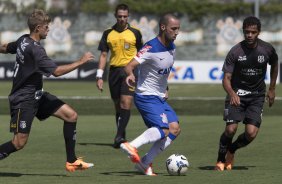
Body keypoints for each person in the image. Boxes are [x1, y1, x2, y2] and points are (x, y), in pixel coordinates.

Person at [0, 9, 95, 172]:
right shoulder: (36, 50)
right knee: (18, 143)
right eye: (46, 26)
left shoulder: (23, 40)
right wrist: (81, 61)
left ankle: (71, 160)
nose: (48, 29)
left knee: (71, 116)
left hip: (37, 95)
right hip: (24, 99)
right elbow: (57, 72)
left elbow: (6, 47)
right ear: (38, 28)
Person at [119, 13, 181, 176]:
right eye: (173, 29)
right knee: (163, 129)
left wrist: (165, 88)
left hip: (159, 97)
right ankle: (131, 145)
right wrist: (131, 75)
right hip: (146, 96)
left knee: (174, 129)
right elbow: (128, 66)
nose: (176, 32)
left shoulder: (172, 47)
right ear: (163, 27)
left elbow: (162, 72)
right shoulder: (150, 47)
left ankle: (144, 163)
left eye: (178, 29)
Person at [215, 16, 278, 171]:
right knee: (231, 129)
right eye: (247, 32)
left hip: (257, 96)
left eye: (253, 32)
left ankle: (232, 150)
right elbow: (226, 79)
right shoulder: (235, 51)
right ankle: (220, 160)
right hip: (237, 94)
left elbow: (275, 64)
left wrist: (272, 89)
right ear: (243, 31)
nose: (249, 35)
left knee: (251, 134)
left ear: (258, 32)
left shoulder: (267, 49)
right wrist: (231, 93)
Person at [96, 3, 143, 148]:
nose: (122, 19)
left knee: (126, 103)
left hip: (130, 71)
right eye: (119, 16)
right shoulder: (108, 33)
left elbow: (142, 54)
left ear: (128, 16)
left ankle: (118, 136)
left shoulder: (135, 32)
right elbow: (104, 55)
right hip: (114, 72)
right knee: (118, 105)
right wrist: (99, 76)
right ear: (115, 16)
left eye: (125, 16)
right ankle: (121, 135)